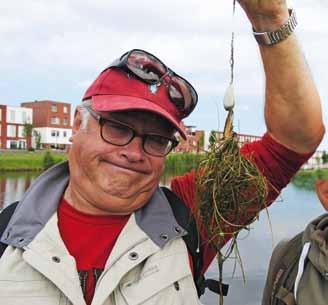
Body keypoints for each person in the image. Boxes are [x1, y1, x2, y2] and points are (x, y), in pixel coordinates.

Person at [0, 0, 324, 304]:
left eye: (155, 139)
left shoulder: (192, 214)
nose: (133, 152)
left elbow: (296, 138)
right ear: (76, 124)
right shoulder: (6, 235)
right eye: (117, 127)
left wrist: (270, 17)